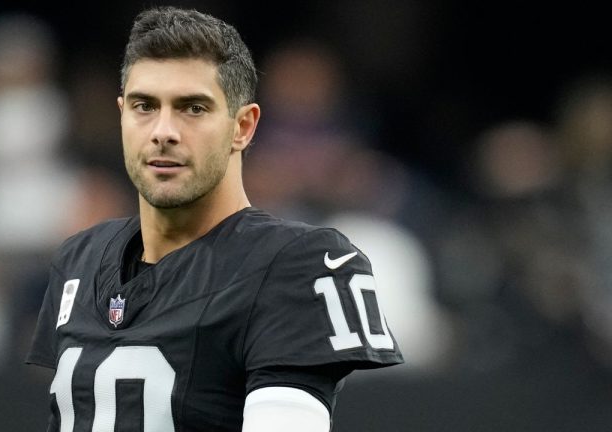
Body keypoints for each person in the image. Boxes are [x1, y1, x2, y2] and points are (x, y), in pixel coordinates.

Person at [26, 6, 403, 432]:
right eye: (144, 106)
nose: (163, 131)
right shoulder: (80, 259)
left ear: (243, 126)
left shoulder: (295, 263)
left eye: (193, 108)